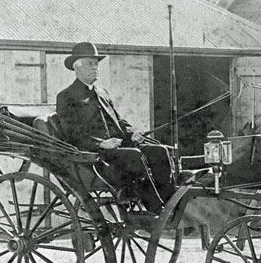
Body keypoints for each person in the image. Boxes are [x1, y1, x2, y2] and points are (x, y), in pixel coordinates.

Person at [56, 41, 175, 213]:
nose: (95, 67)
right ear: (77, 67)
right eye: (90, 64)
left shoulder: (102, 92)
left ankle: (171, 204)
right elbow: (71, 133)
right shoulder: (66, 96)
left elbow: (118, 120)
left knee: (159, 151)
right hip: (95, 155)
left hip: (119, 148)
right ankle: (156, 209)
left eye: (96, 64)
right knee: (134, 155)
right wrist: (101, 143)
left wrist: (132, 132)